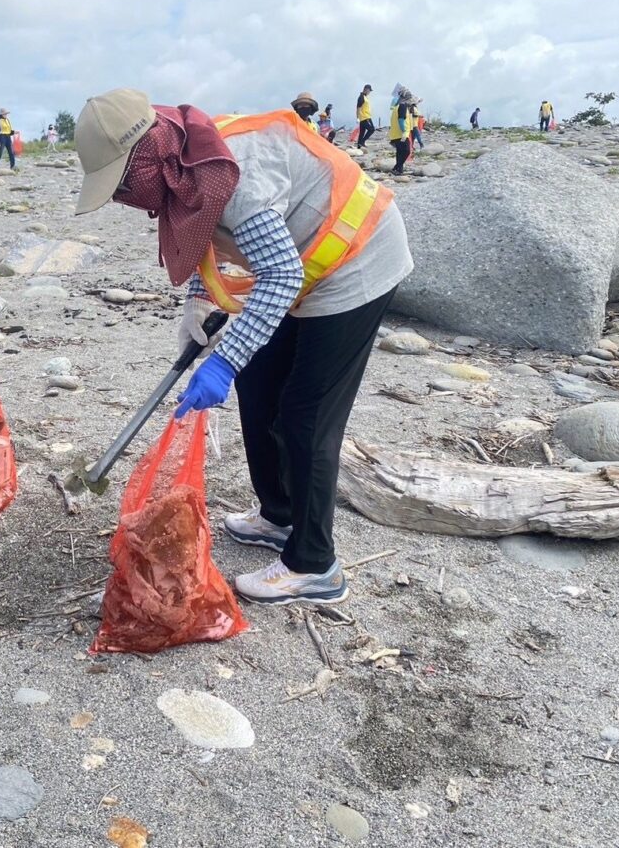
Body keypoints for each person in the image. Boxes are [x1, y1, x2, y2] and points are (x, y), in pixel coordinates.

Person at [73, 89, 412, 605]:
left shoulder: (237, 178)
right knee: (258, 386)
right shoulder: (185, 164)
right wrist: (197, 302)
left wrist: (224, 360)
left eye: (121, 185)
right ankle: (278, 516)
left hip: (355, 259)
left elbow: (277, 275)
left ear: (146, 160)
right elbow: (204, 233)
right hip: (303, 264)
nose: (122, 198)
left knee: (305, 415)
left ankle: (315, 564)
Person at [388, 88, 415, 175]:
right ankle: (396, 167)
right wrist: (404, 131)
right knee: (407, 151)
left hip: (395, 134)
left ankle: (399, 170)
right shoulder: (402, 106)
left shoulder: (397, 107)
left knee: (399, 152)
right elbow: (401, 120)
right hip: (401, 134)